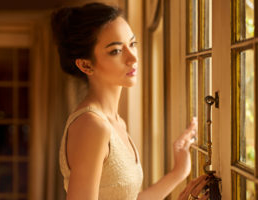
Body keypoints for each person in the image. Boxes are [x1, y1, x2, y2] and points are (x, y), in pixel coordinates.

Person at [51, 2, 210, 200]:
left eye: (132, 44)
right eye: (116, 51)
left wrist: (178, 172)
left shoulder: (115, 122)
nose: (133, 57)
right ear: (86, 64)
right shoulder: (92, 126)